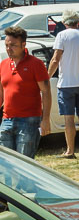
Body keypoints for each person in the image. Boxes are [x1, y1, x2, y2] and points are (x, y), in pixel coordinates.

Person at [47, 10, 79, 158]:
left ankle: (70, 150)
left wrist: (47, 77)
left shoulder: (61, 36)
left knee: (68, 119)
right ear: (78, 21)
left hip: (66, 83)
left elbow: (55, 59)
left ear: (64, 22)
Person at [0, 26, 52, 158]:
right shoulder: (4, 64)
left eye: (13, 45)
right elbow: (1, 93)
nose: (8, 49)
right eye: (6, 45)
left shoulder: (36, 64)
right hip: (7, 120)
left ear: (23, 44)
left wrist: (45, 119)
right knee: (7, 163)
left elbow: (46, 92)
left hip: (29, 121)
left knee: (25, 162)